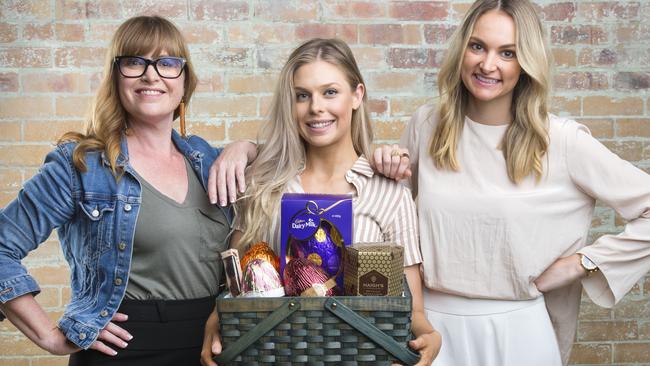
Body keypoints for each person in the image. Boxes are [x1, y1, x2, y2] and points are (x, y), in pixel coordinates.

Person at [371, 0, 650, 365]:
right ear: (462, 51)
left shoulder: (561, 140)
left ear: (527, 63)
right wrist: (381, 168)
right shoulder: (427, 125)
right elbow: (390, 224)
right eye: (477, 46)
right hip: (430, 330)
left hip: (519, 330)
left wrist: (582, 263)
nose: (488, 64)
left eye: (508, 53)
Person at [0, 16, 236, 366]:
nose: (151, 75)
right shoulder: (80, 165)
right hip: (122, 351)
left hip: (212, 347)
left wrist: (244, 147)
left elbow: (285, 161)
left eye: (168, 63)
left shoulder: (209, 160)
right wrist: (49, 337)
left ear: (185, 82)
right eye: (134, 62)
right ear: (115, 77)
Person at [200, 38, 442, 366]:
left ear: (357, 96)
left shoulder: (389, 193)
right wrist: (214, 322)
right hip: (274, 356)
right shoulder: (264, 184)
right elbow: (233, 287)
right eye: (303, 95)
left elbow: (412, 309)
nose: (316, 107)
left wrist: (430, 336)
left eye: (330, 92)